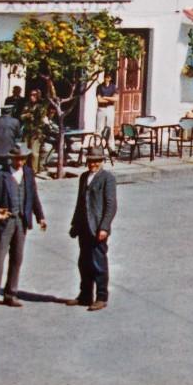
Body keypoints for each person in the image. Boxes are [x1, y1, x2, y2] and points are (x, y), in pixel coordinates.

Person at [0, 143, 47, 308]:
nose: (20, 162)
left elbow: (33, 195)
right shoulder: (0, 175)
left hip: (22, 221)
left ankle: (10, 294)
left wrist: (40, 216)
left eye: (23, 159)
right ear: (11, 158)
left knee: (17, 258)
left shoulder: (27, 173)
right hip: (5, 222)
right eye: (17, 159)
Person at [67, 147, 118, 311]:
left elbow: (111, 205)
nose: (92, 164)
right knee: (84, 262)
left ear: (102, 161)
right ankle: (85, 295)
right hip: (83, 227)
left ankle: (101, 297)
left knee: (98, 263)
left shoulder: (107, 178)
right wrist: (75, 224)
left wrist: (104, 227)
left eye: (96, 161)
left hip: (97, 228)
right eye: (90, 161)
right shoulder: (83, 177)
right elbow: (80, 202)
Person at [20, 88, 50, 176]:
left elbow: (50, 97)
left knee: (34, 152)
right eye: (30, 95)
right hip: (27, 131)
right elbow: (21, 116)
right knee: (24, 150)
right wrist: (26, 115)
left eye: (34, 95)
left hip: (36, 132)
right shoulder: (27, 105)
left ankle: (34, 171)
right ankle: (23, 168)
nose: (31, 97)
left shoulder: (41, 105)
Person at [95, 72, 118, 142]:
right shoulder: (99, 87)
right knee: (99, 127)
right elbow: (99, 100)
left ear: (110, 78)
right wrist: (110, 99)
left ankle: (110, 146)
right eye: (105, 77)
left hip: (110, 109)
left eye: (108, 77)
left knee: (110, 128)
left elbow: (116, 99)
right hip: (101, 109)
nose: (106, 79)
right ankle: (98, 144)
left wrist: (105, 97)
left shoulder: (113, 87)